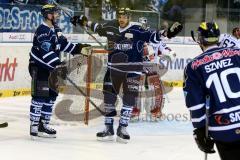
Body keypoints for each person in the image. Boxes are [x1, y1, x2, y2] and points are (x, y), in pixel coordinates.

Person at [71, 7, 179, 143]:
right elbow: (97, 27)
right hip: (113, 70)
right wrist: (83, 21)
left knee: (128, 100)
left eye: (124, 17)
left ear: (129, 18)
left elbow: (154, 36)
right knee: (109, 99)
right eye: (120, 16)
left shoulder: (137, 30)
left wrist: (168, 33)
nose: (121, 19)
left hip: (132, 70)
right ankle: (108, 128)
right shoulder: (111, 27)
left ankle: (122, 128)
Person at [29, 4, 91, 139]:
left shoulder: (56, 29)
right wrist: (59, 65)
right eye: (55, 13)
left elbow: (63, 44)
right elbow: (46, 53)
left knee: (51, 96)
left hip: (52, 67)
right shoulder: (42, 31)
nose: (57, 15)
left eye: (57, 13)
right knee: (40, 97)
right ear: (48, 15)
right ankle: (34, 126)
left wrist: (79, 49)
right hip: (39, 67)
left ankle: (43, 125)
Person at [183, 22, 240, 160]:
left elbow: (195, 103)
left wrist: (200, 129)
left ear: (200, 39)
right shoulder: (237, 54)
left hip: (224, 130)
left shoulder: (193, 67)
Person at [131, 17, 181, 120]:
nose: (142, 28)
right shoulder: (133, 38)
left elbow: (164, 47)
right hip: (137, 67)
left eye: (143, 26)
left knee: (156, 87)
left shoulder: (153, 37)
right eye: (140, 26)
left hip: (152, 67)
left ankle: (156, 110)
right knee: (134, 87)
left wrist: (170, 53)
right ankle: (134, 110)